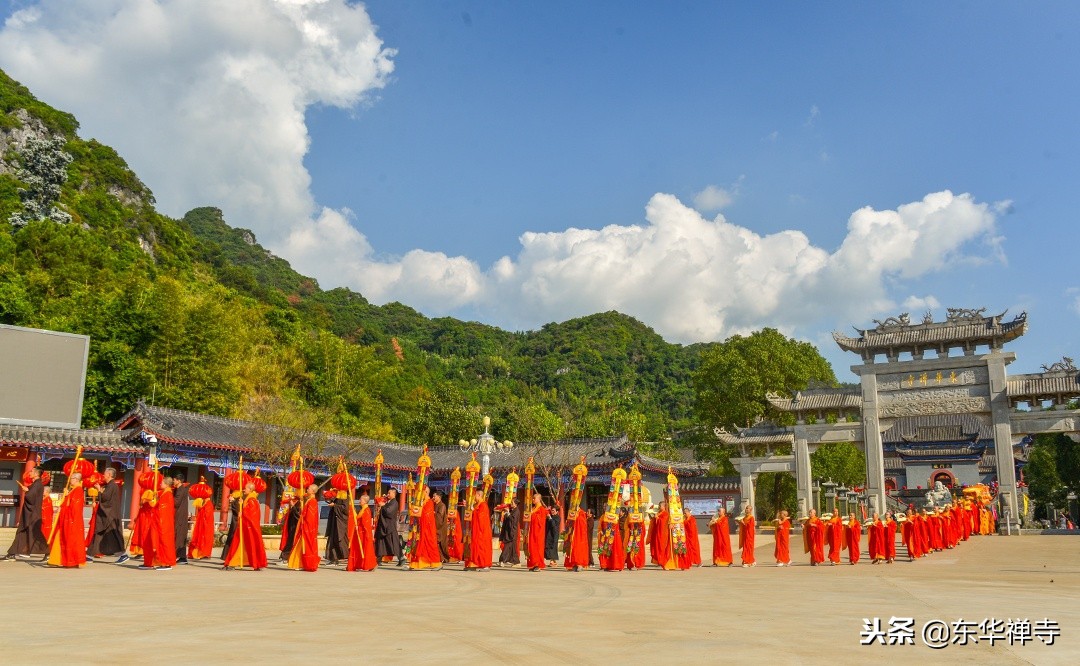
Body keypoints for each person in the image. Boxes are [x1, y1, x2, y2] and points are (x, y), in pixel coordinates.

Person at [4, 467, 48, 560]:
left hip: (32, 514)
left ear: (36, 474)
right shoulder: (35, 484)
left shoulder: (38, 484)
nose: (30, 473)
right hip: (30, 513)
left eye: (31, 471)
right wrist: (28, 489)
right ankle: (12, 553)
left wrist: (27, 491)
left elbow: (31, 497)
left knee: (35, 534)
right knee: (22, 533)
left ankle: (48, 552)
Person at [223, 480, 267, 571]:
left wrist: (242, 512)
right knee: (241, 544)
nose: (244, 490)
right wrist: (241, 504)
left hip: (249, 527)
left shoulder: (252, 500)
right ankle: (236, 562)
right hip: (245, 526)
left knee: (244, 544)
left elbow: (252, 514)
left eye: (246, 488)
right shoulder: (248, 499)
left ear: (250, 490)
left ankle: (249, 563)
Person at [46, 472, 86, 568]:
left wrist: (63, 507)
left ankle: (69, 561)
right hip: (66, 519)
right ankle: (57, 560)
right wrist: (67, 495)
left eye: (71, 478)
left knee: (69, 540)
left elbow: (74, 507)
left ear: (76, 479)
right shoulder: (73, 490)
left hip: (71, 520)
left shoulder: (78, 490)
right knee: (60, 538)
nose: (70, 480)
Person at [88, 467, 124, 558]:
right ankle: (90, 555)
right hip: (108, 514)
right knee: (100, 534)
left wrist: (99, 490)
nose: (103, 475)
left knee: (114, 535)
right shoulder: (110, 485)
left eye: (105, 474)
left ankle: (122, 555)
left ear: (109, 475)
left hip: (110, 515)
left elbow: (105, 498)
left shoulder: (112, 485)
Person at [409, 486, 443, 570]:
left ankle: (436, 563)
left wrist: (419, 511)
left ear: (426, 492)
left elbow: (427, 515)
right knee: (420, 546)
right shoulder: (422, 502)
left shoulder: (429, 502)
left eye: (422, 492)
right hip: (421, 528)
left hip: (428, 529)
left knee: (430, 546)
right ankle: (419, 563)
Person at [289, 484, 321, 572]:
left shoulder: (313, 502)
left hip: (308, 528)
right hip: (304, 526)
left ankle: (307, 564)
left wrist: (305, 525)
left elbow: (310, 517)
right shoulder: (308, 500)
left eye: (309, 489)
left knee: (307, 546)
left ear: (313, 491)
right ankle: (301, 564)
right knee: (301, 546)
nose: (307, 489)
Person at [347, 489, 377, 572]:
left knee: (365, 549)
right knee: (358, 550)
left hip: (364, 534)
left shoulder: (366, 510)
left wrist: (358, 524)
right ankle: (358, 564)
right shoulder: (362, 509)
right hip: (359, 533)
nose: (359, 501)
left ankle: (368, 565)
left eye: (361, 500)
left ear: (364, 501)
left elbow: (365, 523)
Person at [465, 488, 493, 571]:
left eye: (475, 495)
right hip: (476, 532)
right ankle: (475, 563)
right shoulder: (477, 505)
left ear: (479, 495)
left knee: (482, 548)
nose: (474, 498)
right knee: (475, 548)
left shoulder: (483, 505)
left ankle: (485, 565)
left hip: (482, 532)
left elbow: (481, 519)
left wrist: (473, 511)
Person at [187, 480, 215, 560]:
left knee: (204, 539)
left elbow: (207, 516)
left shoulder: (208, 504)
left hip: (206, 526)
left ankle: (204, 553)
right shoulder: (204, 504)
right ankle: (197, 553)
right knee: (198, 538)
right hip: (202, 525)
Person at [153, 476, 177, 570]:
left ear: (166, 485)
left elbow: (164, 509)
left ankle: (167, 563)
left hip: (165, 522)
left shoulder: (168, 494)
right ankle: (163, 561)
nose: (160, 484)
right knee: (161, 542)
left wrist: (155, 505)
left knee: (165, 542)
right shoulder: (164, 493)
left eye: (162, 483)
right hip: (162, 521)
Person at [375, 487, 404, 566]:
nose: (387, 494)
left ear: (394, 494)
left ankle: (401, 558)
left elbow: (388, 512)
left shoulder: (394, 503)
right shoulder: (389, 502)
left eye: (389, 493)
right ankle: (378, 559)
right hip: (384, 526)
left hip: (390, 526)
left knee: (394, 543)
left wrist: (383, 505)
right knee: (381, 543)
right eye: (387, 493)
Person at [324, 490, 349, 565]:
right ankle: (333, 558)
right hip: (334, 522)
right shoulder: (338, 496)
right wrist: (329, 499)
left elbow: (345, 509)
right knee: (332, 540)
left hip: (340, 523)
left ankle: (344, 557)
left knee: (340, 540)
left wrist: (335, 506)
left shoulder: (344, 496)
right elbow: (334, 503)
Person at [596, 506, 625, 572]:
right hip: (604, 536)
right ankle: (604, 565)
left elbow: (616, 527)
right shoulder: (603, 516)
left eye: (606, 507)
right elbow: (600, 526)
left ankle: (614, 565)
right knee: (603, 551)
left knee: (613, 551)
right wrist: (600, 531)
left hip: (613, 537)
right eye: (604, 507)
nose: (605, 508)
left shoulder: (615, 517)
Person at [563, 504, 589, 571]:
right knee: (571, 549)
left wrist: (576, 518)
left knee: (578, 549)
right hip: (571, 534)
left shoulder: (581, 512)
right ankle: (572, 563)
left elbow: (583, 523)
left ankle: (579, 564)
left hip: (579, 535)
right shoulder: (571, 512)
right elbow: (568, 522)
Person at [526, 494, 547, 571]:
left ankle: (538, 565)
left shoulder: (542, 509)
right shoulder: (533, 508)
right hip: (532, 531)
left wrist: (532, 515)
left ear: (539, 499)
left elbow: (541, 522)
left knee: (537, 548)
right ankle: (533, 564)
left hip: (538, 533)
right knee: (531, 548)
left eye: (534, 498)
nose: (533, 500)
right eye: (533, 498)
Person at [497, 501, 521, 567]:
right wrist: (506, 513)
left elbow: (513, 521)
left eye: (512, 503)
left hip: (512, 532)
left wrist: (508, 513)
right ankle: (516, 562)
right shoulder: (512, 510)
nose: (511, 504)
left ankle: (502, 561)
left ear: (516, 504)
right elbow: (508, 519)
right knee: (513, 549)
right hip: (509, 531)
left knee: (507, 547)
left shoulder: (517, 511)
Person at [172, 474, 189, 565]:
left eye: (174, 480)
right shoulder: (180, 489)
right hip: (180, 515)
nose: (173, 481)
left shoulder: (181, 490)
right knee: (180, 536)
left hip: (180, 516)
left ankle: (181, 557)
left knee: (179, 536)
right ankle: (182, 557)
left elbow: (176, 502)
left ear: (179, 481)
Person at [433, 490, 450, 563]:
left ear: (439, 497)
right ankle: (441, 558)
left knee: (440, 544)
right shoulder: (435, 505)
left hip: (440, 528)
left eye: (434, 496)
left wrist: (433, 513)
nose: (433, 498)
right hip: (435, 527)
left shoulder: (442, 505)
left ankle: (443, 558)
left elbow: (440, 517)